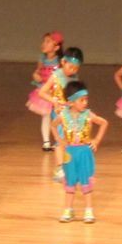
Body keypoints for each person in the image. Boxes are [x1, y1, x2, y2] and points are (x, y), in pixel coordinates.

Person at [51, 80, 108, 223]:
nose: (85, 103)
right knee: (70, 181)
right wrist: (60, 140)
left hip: (84, 153)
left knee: (85, 181)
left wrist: (96, 140)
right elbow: (53, 125)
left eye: (86, 99)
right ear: (71, 102)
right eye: (81, 100)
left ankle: (89, 210)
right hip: (70, 153)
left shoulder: (88, 114)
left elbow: (104, 123)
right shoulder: (63, 116)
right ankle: (68, 210)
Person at [38, 47, 83, 181]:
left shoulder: (75, 78)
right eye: (70, 67)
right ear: (63, 62)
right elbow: (42, 92)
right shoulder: (56, 76)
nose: (73, 70)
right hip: (59, 114)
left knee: (71, 140)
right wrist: (54, 100)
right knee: (60, 140)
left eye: (76, 68)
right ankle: (59, 169)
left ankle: (68, 166)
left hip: (72, 114)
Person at [26, 31, 64, 151]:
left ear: (56, 47)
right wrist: (36, 75)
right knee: (46, 116)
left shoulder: (60, 60)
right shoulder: (42, 58)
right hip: (45, 91)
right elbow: (38, 71)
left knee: (58, 116)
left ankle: (59, 140)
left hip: (57, 92)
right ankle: (46, 142)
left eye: (48, 42)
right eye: (44, 41)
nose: (44, 44)